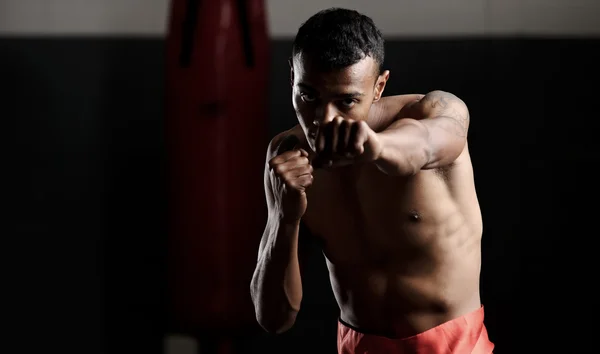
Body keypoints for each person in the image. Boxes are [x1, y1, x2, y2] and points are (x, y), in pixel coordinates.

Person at [250, 7, 494, 354]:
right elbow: (273, 319)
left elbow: (422, 144)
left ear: (379, 86)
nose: (324, 119)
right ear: (292, 77)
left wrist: (374, 146)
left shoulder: (437, 110)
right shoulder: (287, 154)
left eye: (346, 101)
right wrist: (283, 219)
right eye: (309, 97)